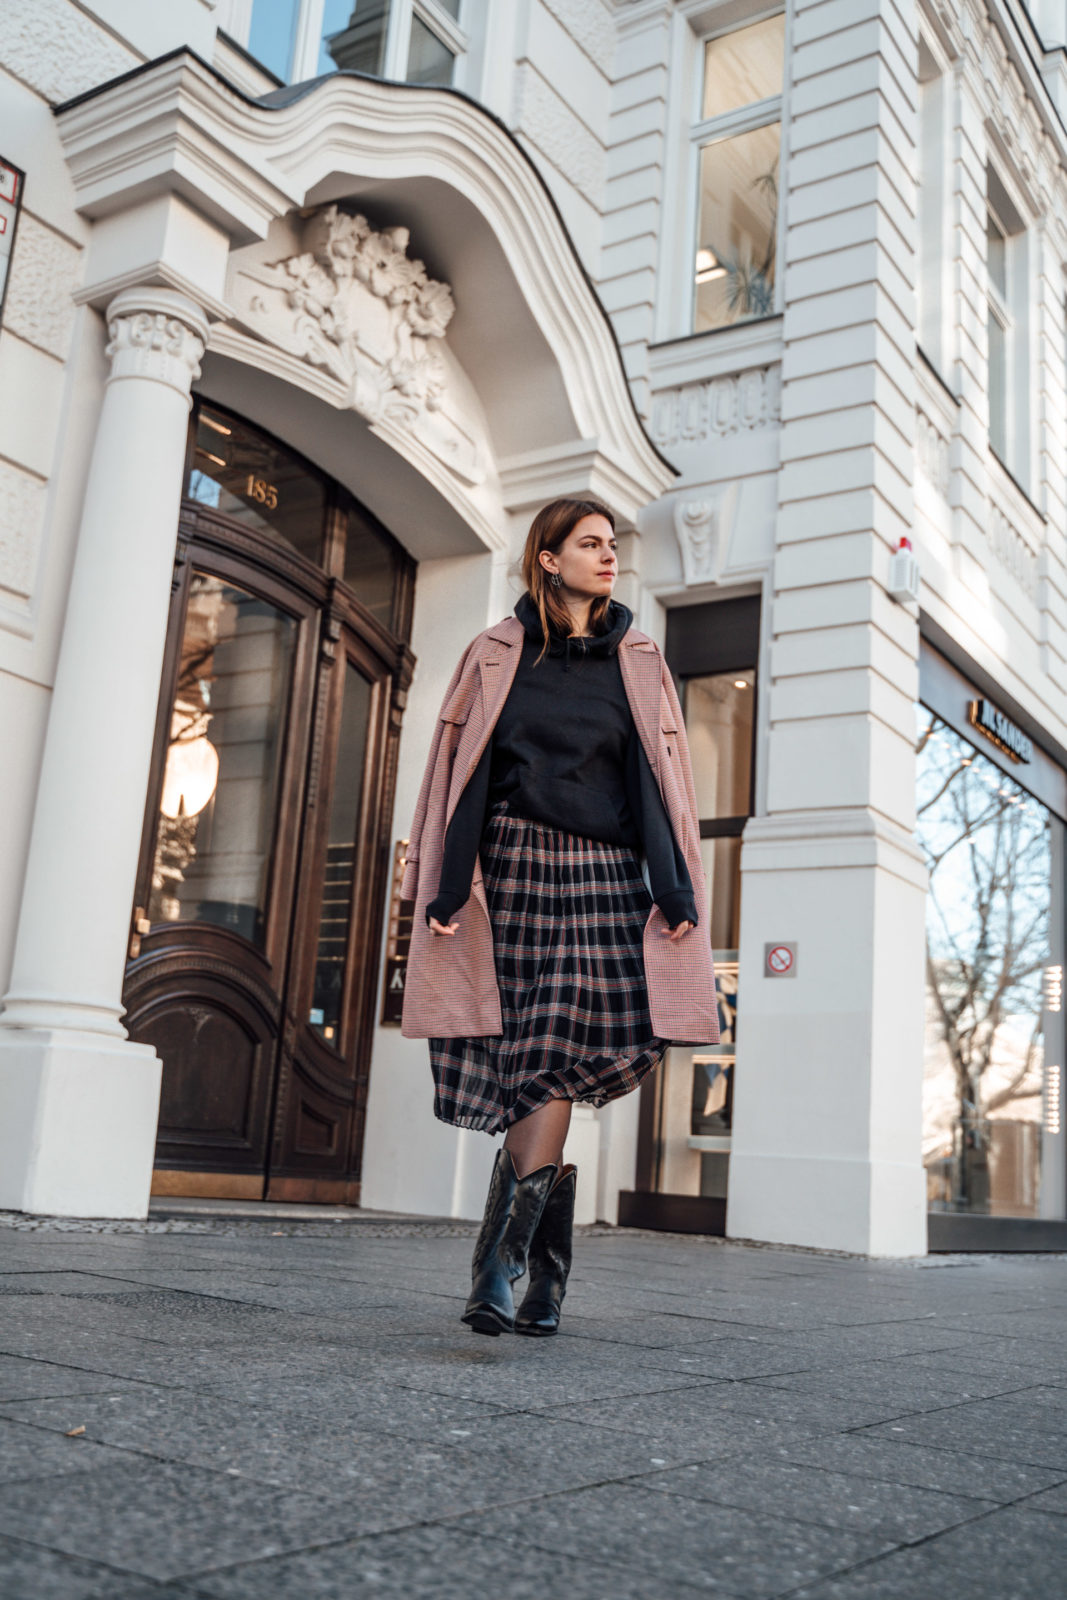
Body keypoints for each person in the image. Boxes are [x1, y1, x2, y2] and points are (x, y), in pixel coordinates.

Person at [400, 497, 719, 1336]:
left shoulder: (638, 658)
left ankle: (500, 1267)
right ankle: (539, 1274)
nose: (608, 556)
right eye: (588, 544)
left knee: (550, 1053)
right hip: (509, 873)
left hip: (605, 879)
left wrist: (674, 887)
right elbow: (463, 769)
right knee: (528, 1053)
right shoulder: (496, 652)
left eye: (611, 545)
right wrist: (445, 882)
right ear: (547, 558)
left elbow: (656, 780)